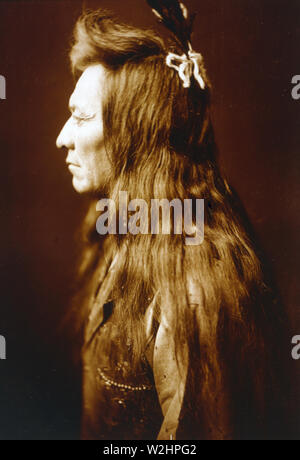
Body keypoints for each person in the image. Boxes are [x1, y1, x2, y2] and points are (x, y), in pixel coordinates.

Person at [56, 3, 289, 440]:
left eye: (83, 116)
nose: (62, 137)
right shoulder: (123, 233)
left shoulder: (193, 286)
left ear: (135, 135)